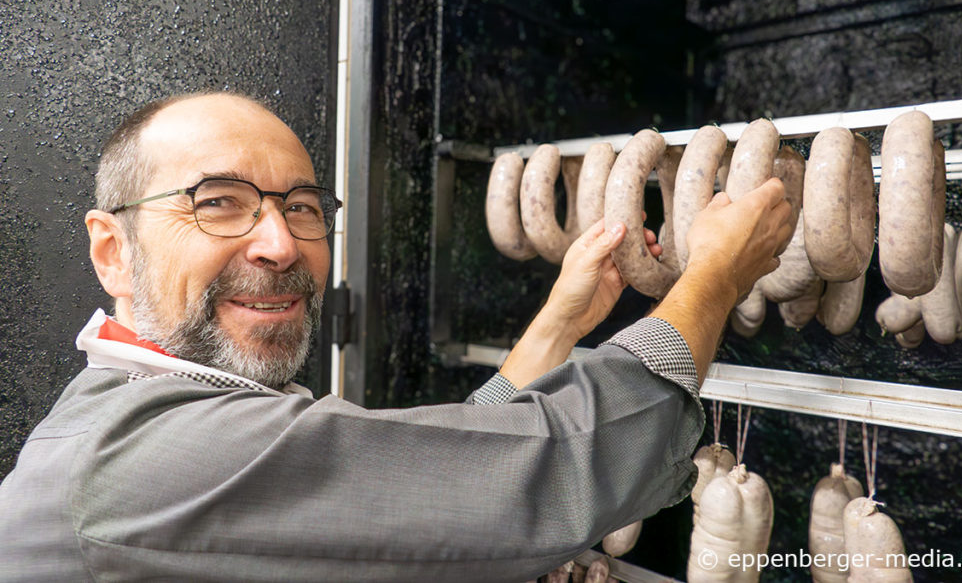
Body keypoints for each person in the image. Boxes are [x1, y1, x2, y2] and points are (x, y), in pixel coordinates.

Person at [0, 92, 792, 582]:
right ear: (112, 251)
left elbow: (431, 492)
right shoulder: (146, 457)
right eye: (218, 201)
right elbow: (546, 471)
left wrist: (561, 323)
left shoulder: (126, 414)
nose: (278, 243)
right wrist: (718, 273)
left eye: (302, 207)